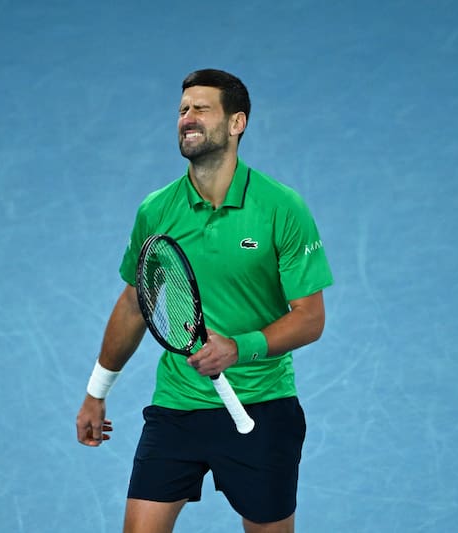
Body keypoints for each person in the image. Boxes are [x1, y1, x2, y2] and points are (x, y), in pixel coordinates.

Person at [76, 68, 334, 533]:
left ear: (237, 123)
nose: (187, 118)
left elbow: (309, 318)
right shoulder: (156, 210)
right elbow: (135, 304)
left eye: (201, 108)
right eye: (182, 110)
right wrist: (97, 392)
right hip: (177, 407)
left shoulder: (281, 207)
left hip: (262, 408)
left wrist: (237, 347)